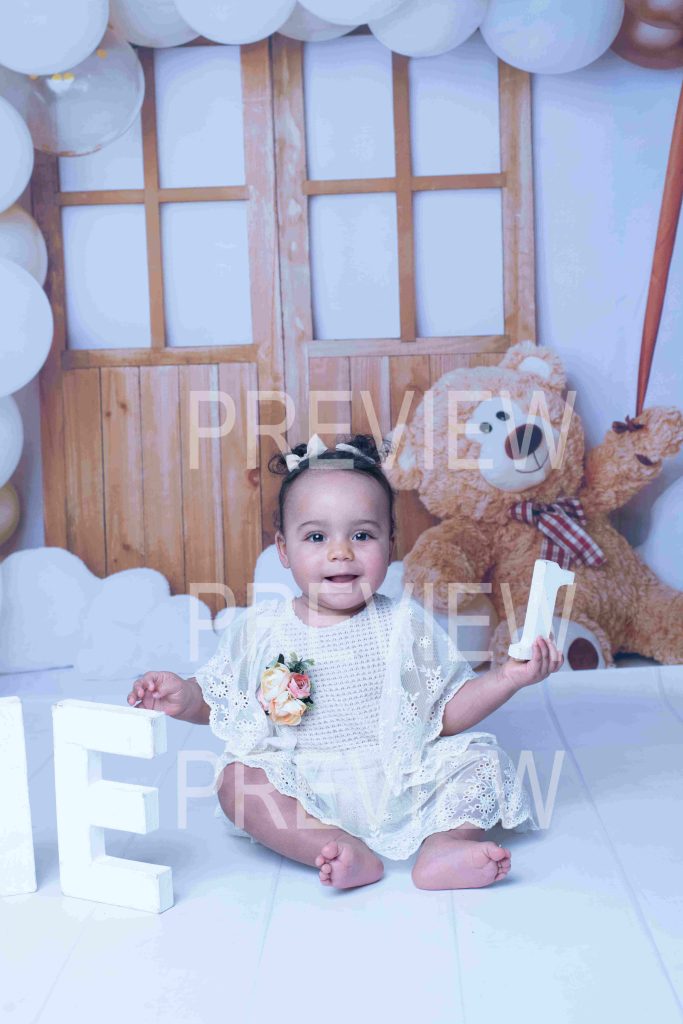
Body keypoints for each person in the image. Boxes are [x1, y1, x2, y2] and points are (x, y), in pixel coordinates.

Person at [127, 432, 564, 892]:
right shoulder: (263, 630)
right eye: (317, 536)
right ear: (284, 549)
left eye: (362, 535)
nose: (341, 552)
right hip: (303, 783)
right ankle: (332, 846)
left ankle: (443, 846)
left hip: (400, 778)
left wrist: (507, 679)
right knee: (237, 782)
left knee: (482, 761)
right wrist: (186, 696)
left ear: (390, 544)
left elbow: (445, 712)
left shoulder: (404, 625)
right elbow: (223, 700)